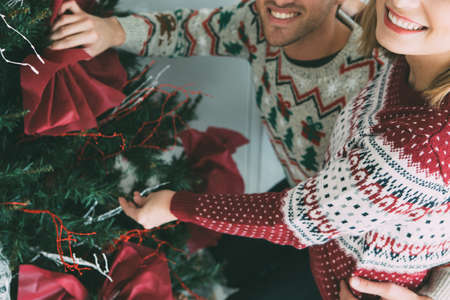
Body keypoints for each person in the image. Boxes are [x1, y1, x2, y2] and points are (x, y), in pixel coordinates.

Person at [49, 0, 449, 299]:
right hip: (305, 196)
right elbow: (192, 29)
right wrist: (113, 32)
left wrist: (433, 293)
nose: (280, 2)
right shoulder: (398, 52)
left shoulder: (380, 57)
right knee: (230, 261)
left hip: (335, 250)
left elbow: (295, 220)